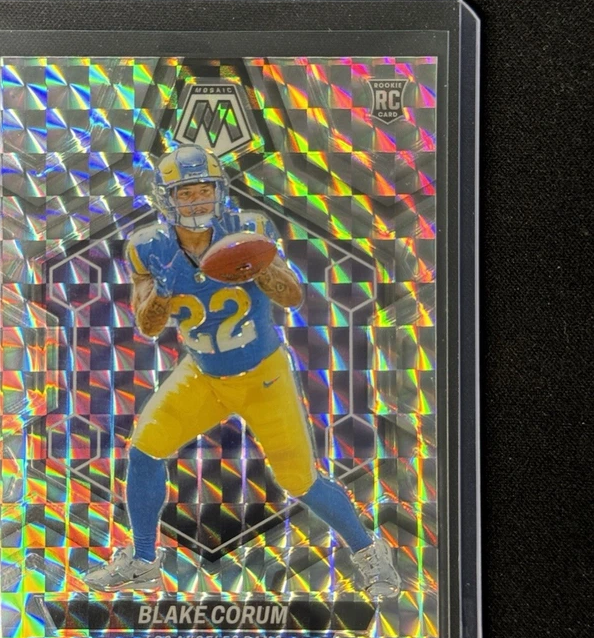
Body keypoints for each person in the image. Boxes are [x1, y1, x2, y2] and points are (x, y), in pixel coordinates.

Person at [85, 144, 400, 601]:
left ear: (219, 191)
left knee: (300, 481)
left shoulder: (247, 229)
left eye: (203, 190)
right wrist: (164, 290)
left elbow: (292, 296)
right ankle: (143, 561)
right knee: (145, 450)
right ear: (167, 199)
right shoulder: (148, 247)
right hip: (202, 373)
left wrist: (258, 265)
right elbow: (148, 327)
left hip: (262, 376)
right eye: (185, 193)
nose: (197, 201)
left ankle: (369, 550)